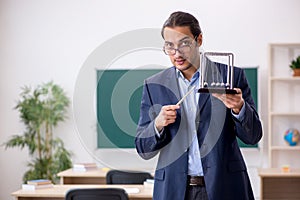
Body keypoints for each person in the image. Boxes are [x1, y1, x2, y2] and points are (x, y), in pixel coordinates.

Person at [135, 11, 262, 200]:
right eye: (170, 46)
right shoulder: (154, 86)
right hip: (174, 190)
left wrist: (239, 108)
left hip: (224, 187)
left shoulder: (231, 77)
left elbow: (253, 136)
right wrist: (158, 124)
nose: (176, 54)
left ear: (199, 39)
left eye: (184, 44)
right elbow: (143, 149)